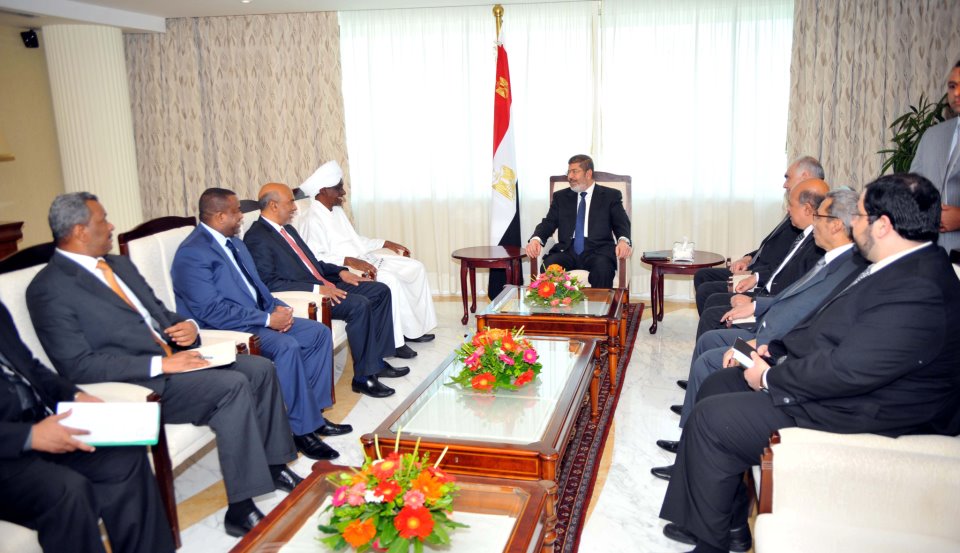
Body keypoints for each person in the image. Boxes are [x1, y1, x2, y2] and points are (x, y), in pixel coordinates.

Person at [659, 173, 960, 553]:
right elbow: (826, 327)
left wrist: (770, 377)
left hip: (864, 410)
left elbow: (848, 371)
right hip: (841, 387)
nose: (854, 224)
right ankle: (729, 523)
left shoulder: (919, 287)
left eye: (860, 215)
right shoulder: (896, 265)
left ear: (883, 225)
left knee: (713, 419)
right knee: (720, 382)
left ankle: (710, 543)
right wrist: (773, 351)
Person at [26, 192, 302, 538]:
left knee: (259, 369)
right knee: (231, 387)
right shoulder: (49, 289)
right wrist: (161, 365)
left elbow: (160, 314)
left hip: (176, 359)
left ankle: (274, 465)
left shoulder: (118, 266)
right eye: (103, 221)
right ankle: (241, 507)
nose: (111, 226)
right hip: (140, 384)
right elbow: (78, 366)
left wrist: (188, 328)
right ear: (79, 230)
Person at [650, 189, 867, 470]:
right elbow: (790, 297)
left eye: (819, 217)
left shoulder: (845, 266)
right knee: (709, 342)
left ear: (836, 224)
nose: (814, 221)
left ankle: (693, 444)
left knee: (710, 360)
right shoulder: (830, 258)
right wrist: (756, 307)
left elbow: (805, 318)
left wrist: (760, 334)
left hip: (771, 347)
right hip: (767, 334)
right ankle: (691, 434)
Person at [171, 188, 351, 460]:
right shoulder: (193, 254)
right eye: (236, 211)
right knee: (286, 346)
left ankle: (312, 416)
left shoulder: (235, 243)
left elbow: (257, 286)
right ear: (220, 216)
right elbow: (211, 311)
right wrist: (267, 319)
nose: (241, 216)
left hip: (256, 317)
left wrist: (278, 307)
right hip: (229, 329)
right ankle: (301, 431)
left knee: (317, 334)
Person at [0, 301, 174, 553]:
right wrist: (29, 436)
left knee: (123, 457)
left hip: (41, 425)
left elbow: (31, 368)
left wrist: (75, 395)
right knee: (67, 491)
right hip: (8, 452)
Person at [245, 182, 408, 399]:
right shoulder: (257, 237)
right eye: (290, 202)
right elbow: (269, 283)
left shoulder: (288, 230)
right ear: (273, 205)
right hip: (307, 295)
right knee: (359, 305)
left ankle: (376, 362)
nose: (294, 207)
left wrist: (341, 272)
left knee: (380, 291)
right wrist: (317, 289)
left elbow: (313, 263)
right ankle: (363, 378)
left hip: (324, 283)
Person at [296, 160, 437, 355]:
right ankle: (396, 343)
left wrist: (385, 243)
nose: (342, 193)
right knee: (390, 281)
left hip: (364, 259)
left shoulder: (336, 212)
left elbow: (356, 241)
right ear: (323, 190)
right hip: (345, 269)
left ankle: (413, 330)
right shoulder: (311, 220)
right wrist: (348, 261)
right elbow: (315, 258)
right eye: (338, 188)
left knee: (415, 267)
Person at [695, 178, 828, 334]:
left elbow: (794, 292)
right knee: (708, 294)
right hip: (765, 290)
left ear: (807, 209)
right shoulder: (804, 234)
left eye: (791, 204)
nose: (787, 209)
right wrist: (749, 261)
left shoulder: (816, 244)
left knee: (711, 314)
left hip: (772, 307)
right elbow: (769, 252)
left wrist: (755, 300)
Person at [525, 154, 632, 288]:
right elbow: (549, 222)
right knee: (549, 267)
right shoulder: (561, 197)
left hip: (599, 251)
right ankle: (559, 302)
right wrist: (536, 239)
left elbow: (621, 223)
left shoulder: (610, 196)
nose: (570, 176)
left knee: (603, 270)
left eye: (575, 171)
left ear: (588, 173)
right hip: (567, 250)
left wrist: (623, 240)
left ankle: (600, 302)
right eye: (569, 172)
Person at [910, 59, 960, 253]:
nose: (956, 93)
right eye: (952, 86)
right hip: (929, 253)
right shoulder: (932, 135)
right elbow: (913, 188)